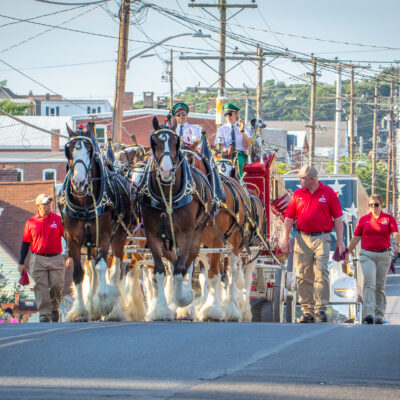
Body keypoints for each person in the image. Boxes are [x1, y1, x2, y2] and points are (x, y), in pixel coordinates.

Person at [281, 165, 346, 323]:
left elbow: (337, 218)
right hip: (302, 238)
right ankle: (307, 311)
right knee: (303, 275)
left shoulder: (328, 193)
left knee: (321, 271)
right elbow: (289, 219)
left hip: (322, 237)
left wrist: (340, 240)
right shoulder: (297, 195)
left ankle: (321, 308)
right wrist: (284, 238)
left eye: (302, 178)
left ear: (312, 179)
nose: (300, 180)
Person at [346, 194, 400, 324]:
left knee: (380, 286)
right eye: (370, 205)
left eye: (376, 205)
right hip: (367, 254)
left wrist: (397, 245)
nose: (373, 207)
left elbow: (395, 233)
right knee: (369, 283)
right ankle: (368, 315)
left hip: (384, 255)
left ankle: (379, 315)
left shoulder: (388, 219)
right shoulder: (364, 220)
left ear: (381, 205)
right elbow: (356, 237)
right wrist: (348, 251)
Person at [18, 194, 68, 323]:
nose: (48, 206)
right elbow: (25, 243)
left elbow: (68, 237)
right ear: (38, 206)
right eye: (45, 204)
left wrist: (71, 256)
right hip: (38, 259)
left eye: (49, 203)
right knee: (41, 288)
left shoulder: (57, 219)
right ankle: (44, 315)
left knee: (57, 285)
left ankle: (54, 308)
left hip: (56, 258)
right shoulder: (31, 222)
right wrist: (21, 262)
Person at [214, 102, 252, 177]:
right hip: (225, 154)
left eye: (230, 114)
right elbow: (218, 145)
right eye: (226, 114)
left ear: (236, 114)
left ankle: (240, 184)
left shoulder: (242, 126)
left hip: (239, 154)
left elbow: (249, 144)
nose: (228, 116)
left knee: (237, 163)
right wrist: (224, 149)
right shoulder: (222, 128)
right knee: (217, 164)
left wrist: (242, 132)